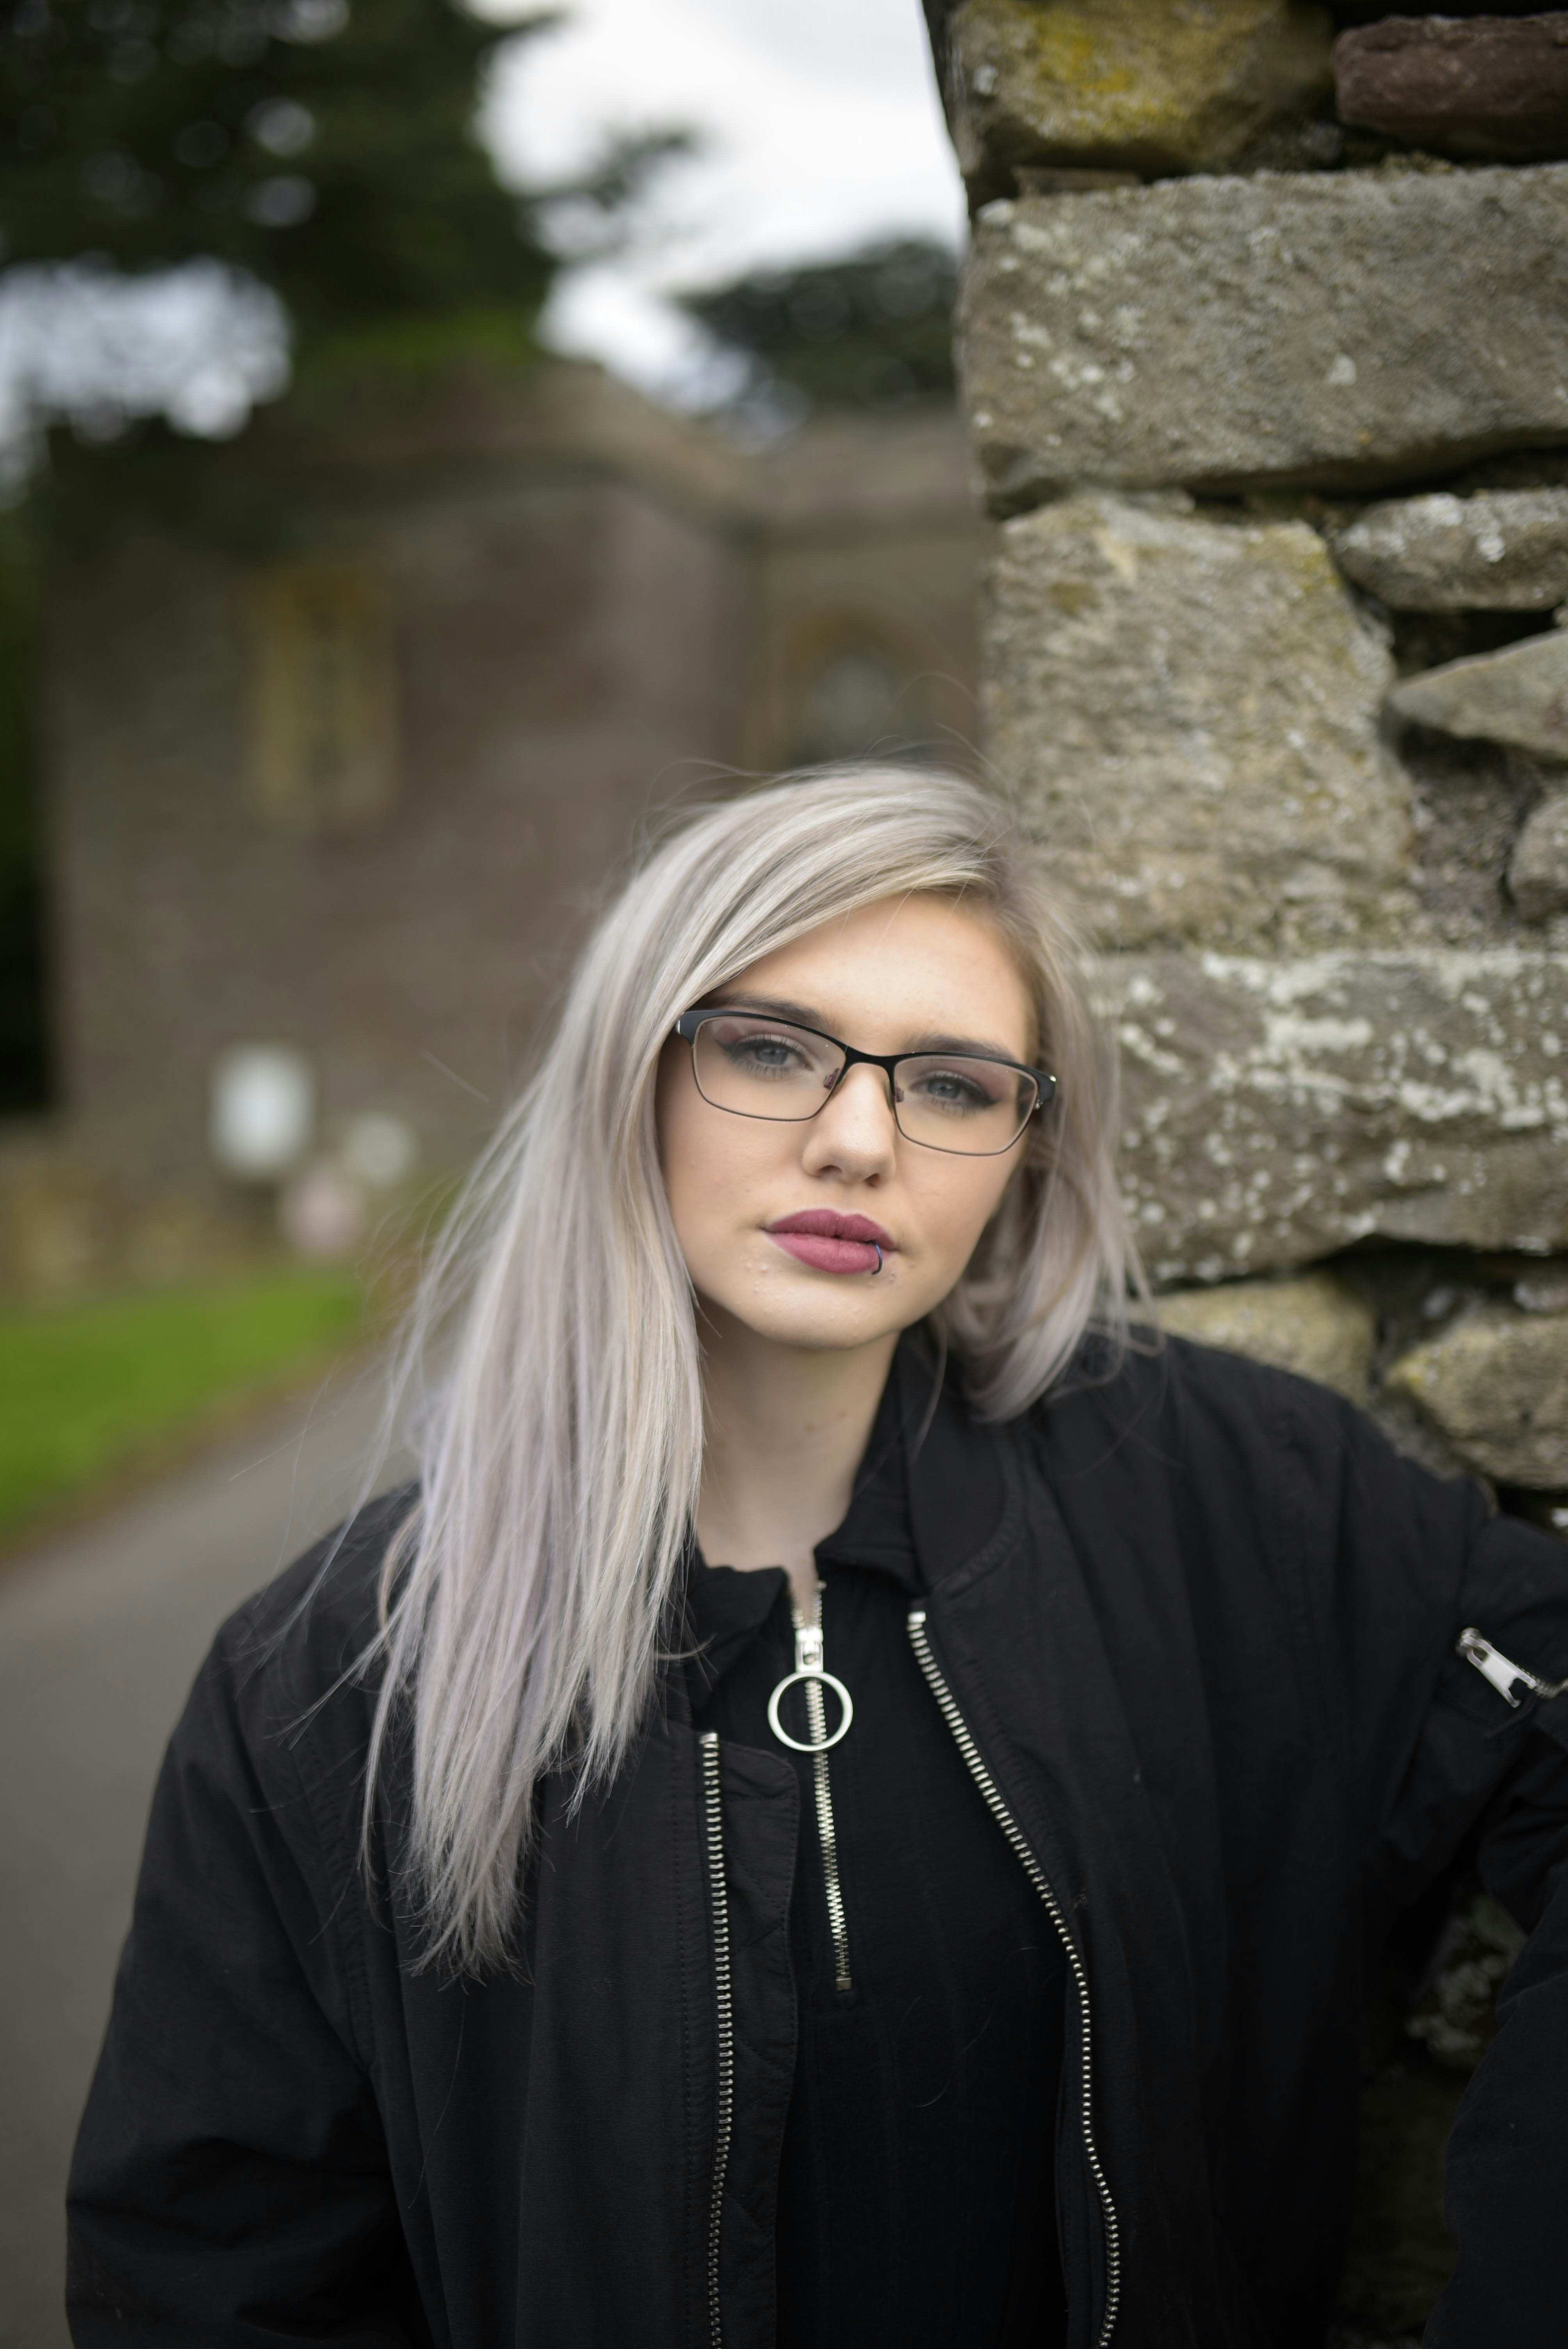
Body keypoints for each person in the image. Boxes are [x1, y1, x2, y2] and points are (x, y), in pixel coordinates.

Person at [67, 767, 1568, 2349]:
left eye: (953, 1085)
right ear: (632, 1074)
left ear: (1023, 1149)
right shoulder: (330, 1675)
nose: (857, 1140)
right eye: (771, 1050)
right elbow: (210, 2276)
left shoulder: (1222, 1497)